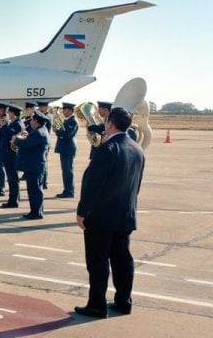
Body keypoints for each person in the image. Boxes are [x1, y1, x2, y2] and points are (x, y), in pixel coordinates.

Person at [75, 107, 145, 318]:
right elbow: (137, 185)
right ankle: (124, 301)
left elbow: (93, 185)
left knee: (98, 262)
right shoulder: (136, 148)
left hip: (102, 217)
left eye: (106, 121)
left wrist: (82, 211)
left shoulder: (107, 148)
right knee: (122, 260)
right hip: (125, 214)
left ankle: (97, 305)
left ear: (111, 124)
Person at [12, 111, 50, 219]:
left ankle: (36, 213)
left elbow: (27, 144)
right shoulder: (40, 130)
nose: (31, 122)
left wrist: (16, 140)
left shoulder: (38, 133)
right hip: (35, 165)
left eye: (32, 120)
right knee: (35, 190)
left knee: (35, 191)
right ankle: (36, 211)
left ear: (36, 121)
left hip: (35, 166)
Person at [0, 104, 25, 209]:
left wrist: (4, 125)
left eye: (9, 112)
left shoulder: (18, 124)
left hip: (12, 155)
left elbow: (9, 135)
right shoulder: (14, 123)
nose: (8, 114)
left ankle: (13, 201)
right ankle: (12, 200)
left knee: (13, 179)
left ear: (13, 113)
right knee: (11, 179)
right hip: (9, 154)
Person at [54, 102, 79, 198]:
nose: (63, 111)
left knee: (68, 171)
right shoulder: (67, 120)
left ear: (70, 110)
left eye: (64, 110)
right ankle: (66, 190)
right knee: (65, 170)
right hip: (65, 149)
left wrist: (57, 131)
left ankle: (69, 191)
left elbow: (67, 134)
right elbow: (63, 131)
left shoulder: (73, 121)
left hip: (68, 149)